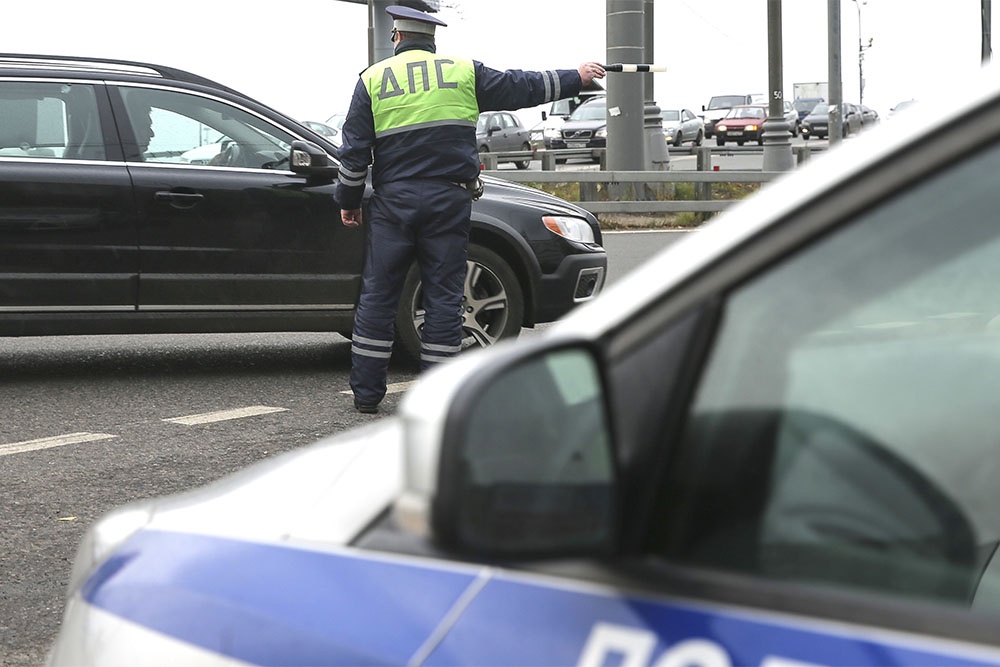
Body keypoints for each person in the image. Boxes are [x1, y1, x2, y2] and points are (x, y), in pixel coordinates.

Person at [337, 4, 606, 414]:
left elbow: (355, 151)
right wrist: (576, 76)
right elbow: (522, 87)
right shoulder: (463, 72)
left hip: (395, 203)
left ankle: (367, 396)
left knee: (379, 295)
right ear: (432, 38)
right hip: (449, 199)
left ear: (397, 36)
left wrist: (349, 201)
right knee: (444, 295)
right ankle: (438, 398)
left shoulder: (372, 79)